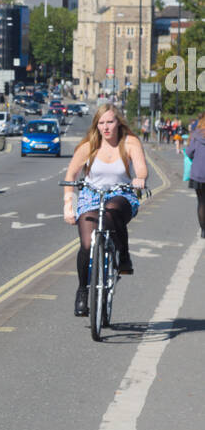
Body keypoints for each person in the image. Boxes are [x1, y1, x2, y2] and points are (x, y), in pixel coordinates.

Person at [63, 104, 148, 317]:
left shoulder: (130, 142)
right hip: (91, 196)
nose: (106, 127)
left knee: (111, 209)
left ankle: (124, 255)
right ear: (96, 125)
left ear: (118, 122)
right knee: (87, 244)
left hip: (122, 194)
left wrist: (140, 178)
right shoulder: (89, 145)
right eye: (101, 123)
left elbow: (141, 168)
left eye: (110, 122)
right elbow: (71, 176)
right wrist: (68, 204)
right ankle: (83, 291)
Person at [185, 113, 205, 238]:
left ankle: (203, 230)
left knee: (201, 202)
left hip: (199, 173)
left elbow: (189, 152)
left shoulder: (196, 135)